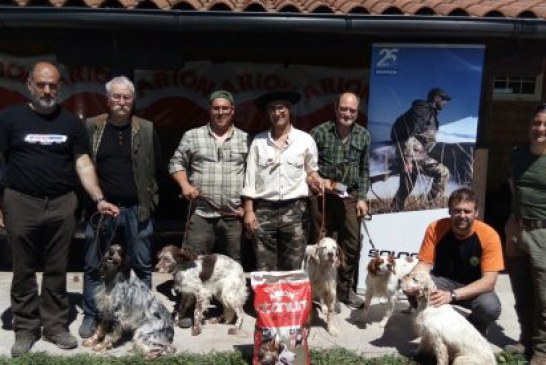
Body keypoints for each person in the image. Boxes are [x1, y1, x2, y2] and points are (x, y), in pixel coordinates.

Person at [0, 62, 119, 357]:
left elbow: (83, 164)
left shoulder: (71, 123)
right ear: (29, 84)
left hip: (62, 203)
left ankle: (55, 327)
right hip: (20, 201)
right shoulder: (9, 119)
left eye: (53, 85)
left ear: (60, 86)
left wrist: (98, 197)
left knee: (57, 269)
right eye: (41, 84)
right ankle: (26, 329)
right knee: (23, 269)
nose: (47, 90)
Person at [79, 76, 161, 339]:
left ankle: (140, 316)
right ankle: (93, 315)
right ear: (108, 99)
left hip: (136, 210)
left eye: (127, 97)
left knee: (142, 266)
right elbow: (82, 165)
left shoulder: (146, 128)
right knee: (94, 265)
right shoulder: (92, 126)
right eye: (117, 97)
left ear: (133, 100)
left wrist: (152, 200)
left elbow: (156, 166)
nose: (122, 102)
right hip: (100, 211)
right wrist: (96, 200)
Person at [168, 90, 249, 327]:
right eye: (216, 108)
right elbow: (176, 162)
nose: (221, 112)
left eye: (225, 108)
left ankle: (230, 310)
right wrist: (184, 184)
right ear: (210, 109)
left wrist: (247, 206)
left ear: (232, 111)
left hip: (232, 215)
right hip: (201, 212)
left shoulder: (246, 139)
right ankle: (187, 309)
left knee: (233, 265)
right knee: (190, 263)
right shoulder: (192, 136)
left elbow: (254, 174)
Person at [406, 187, 503, 336]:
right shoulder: (435, 228)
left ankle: (474, 326)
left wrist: (452, 295)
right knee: (413, 287)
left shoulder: (489, 235)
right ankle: (434, 326)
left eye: (467, 211)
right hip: (442, 281)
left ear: (476, 213)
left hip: (473, 287)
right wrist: (413, 280)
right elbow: (424, 264)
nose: (462, 215)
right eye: (457, 210)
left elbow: (489, 281)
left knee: (489, 307)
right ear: (449, 211)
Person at [242, 90, 322, 271]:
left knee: (293, 264)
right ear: (267, 113)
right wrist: (249, 210)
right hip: (264, 209)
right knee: (264, 263)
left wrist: (315, 180)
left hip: (295, 210)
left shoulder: (305, 140)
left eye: (281, 108)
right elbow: (250, 179)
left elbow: (311, 172)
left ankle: (289, 299)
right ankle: (267, 300)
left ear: (289, 109)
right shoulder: (258, 142)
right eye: (272, 109)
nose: (277, 113)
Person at [310, 92, 370, 311]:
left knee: (352, 244)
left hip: (350, 196)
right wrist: (316, 179)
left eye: (352, 110)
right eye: (343, 109)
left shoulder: (364, 135)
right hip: (323, 196)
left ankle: (344, 292)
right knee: (321, 243)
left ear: (357, 112)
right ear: (335, 108)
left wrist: (362, 198)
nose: (347, 114)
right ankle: (320, 292)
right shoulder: (318, 132)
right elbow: (307, 164)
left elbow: (364, 169)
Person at [504, 104, 546, 365]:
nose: (540, 129)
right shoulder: (518, 154)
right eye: (536, 123)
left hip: (543, 231)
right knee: (521, 289)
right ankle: (525, 339)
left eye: (544, 125)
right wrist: (511, 220)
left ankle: (542, 351)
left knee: (544, 295)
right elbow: (513, 187)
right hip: (517, 230)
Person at [391, 88, 451, 211]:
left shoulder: (427, 112)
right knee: (443, 173)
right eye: (444, 99)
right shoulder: (423, 111)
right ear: (436, 98)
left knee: (407, 187)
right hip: (412, 153)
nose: (445, 102)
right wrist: (407, 159)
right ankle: (428, 207)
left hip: (412, 153)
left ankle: (395, 209)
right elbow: (410, 135)